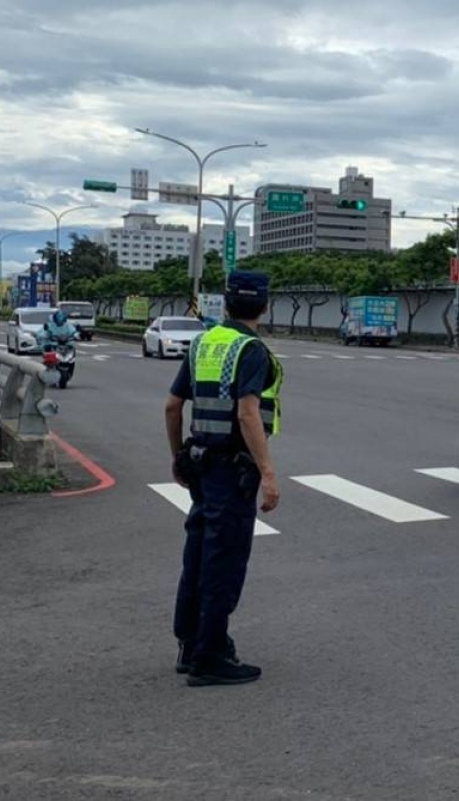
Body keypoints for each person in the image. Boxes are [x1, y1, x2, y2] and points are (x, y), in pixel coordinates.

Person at [164, 271, 284, 687]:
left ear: (226, 304)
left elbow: (173, 406)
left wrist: (178, 455)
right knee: (224, 558)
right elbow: (248, 413)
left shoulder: (204, 343)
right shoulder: (251, 349)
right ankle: (210, 655)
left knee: (198, 551)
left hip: (201, 464)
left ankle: (190, 643)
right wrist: (268, 471)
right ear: (265, 306)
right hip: (233, 471)